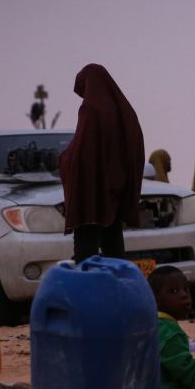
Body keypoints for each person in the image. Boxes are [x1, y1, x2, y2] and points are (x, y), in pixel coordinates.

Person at [58, 63, 144, 263]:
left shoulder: (91, 110)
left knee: (85, 254)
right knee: (114, 249)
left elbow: (82, 153)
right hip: (115, 191)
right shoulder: (125, 111)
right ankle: (118, 289)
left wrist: (64, 159)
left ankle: (89, 290)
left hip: (91, 195)